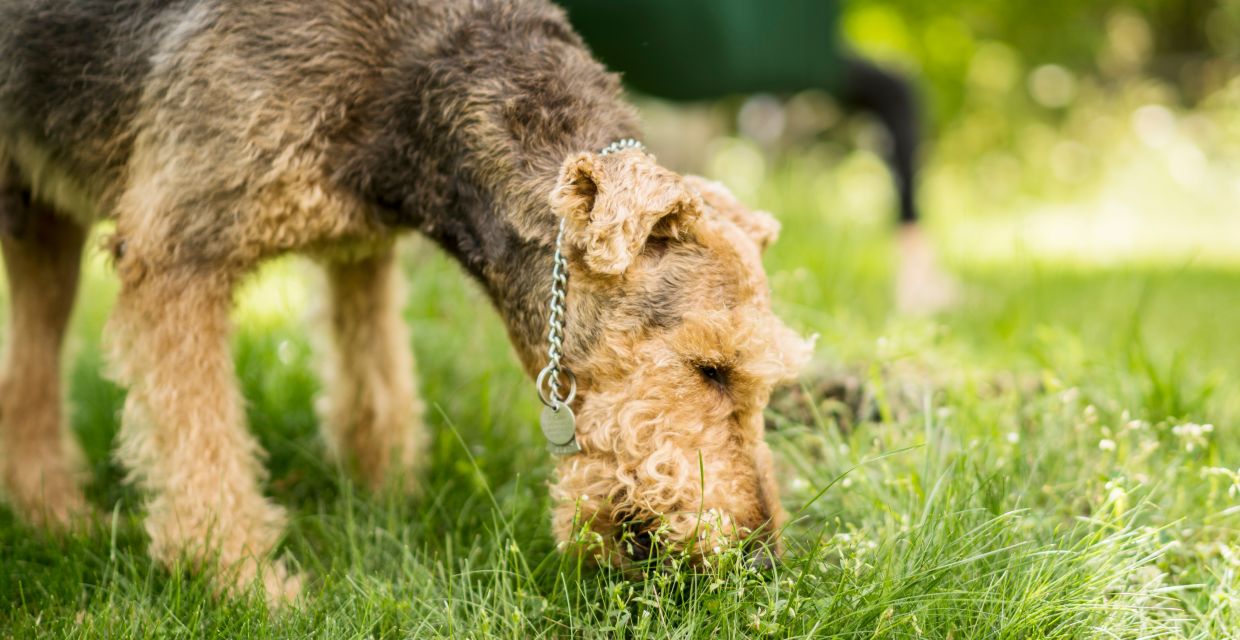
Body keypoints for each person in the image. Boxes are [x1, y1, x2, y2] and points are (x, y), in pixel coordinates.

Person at [558, 0, 958, 313]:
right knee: (894, 92)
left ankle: (918, 272)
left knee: (892, 91)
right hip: (704, 40)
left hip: (707, 44)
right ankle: (916, 268)